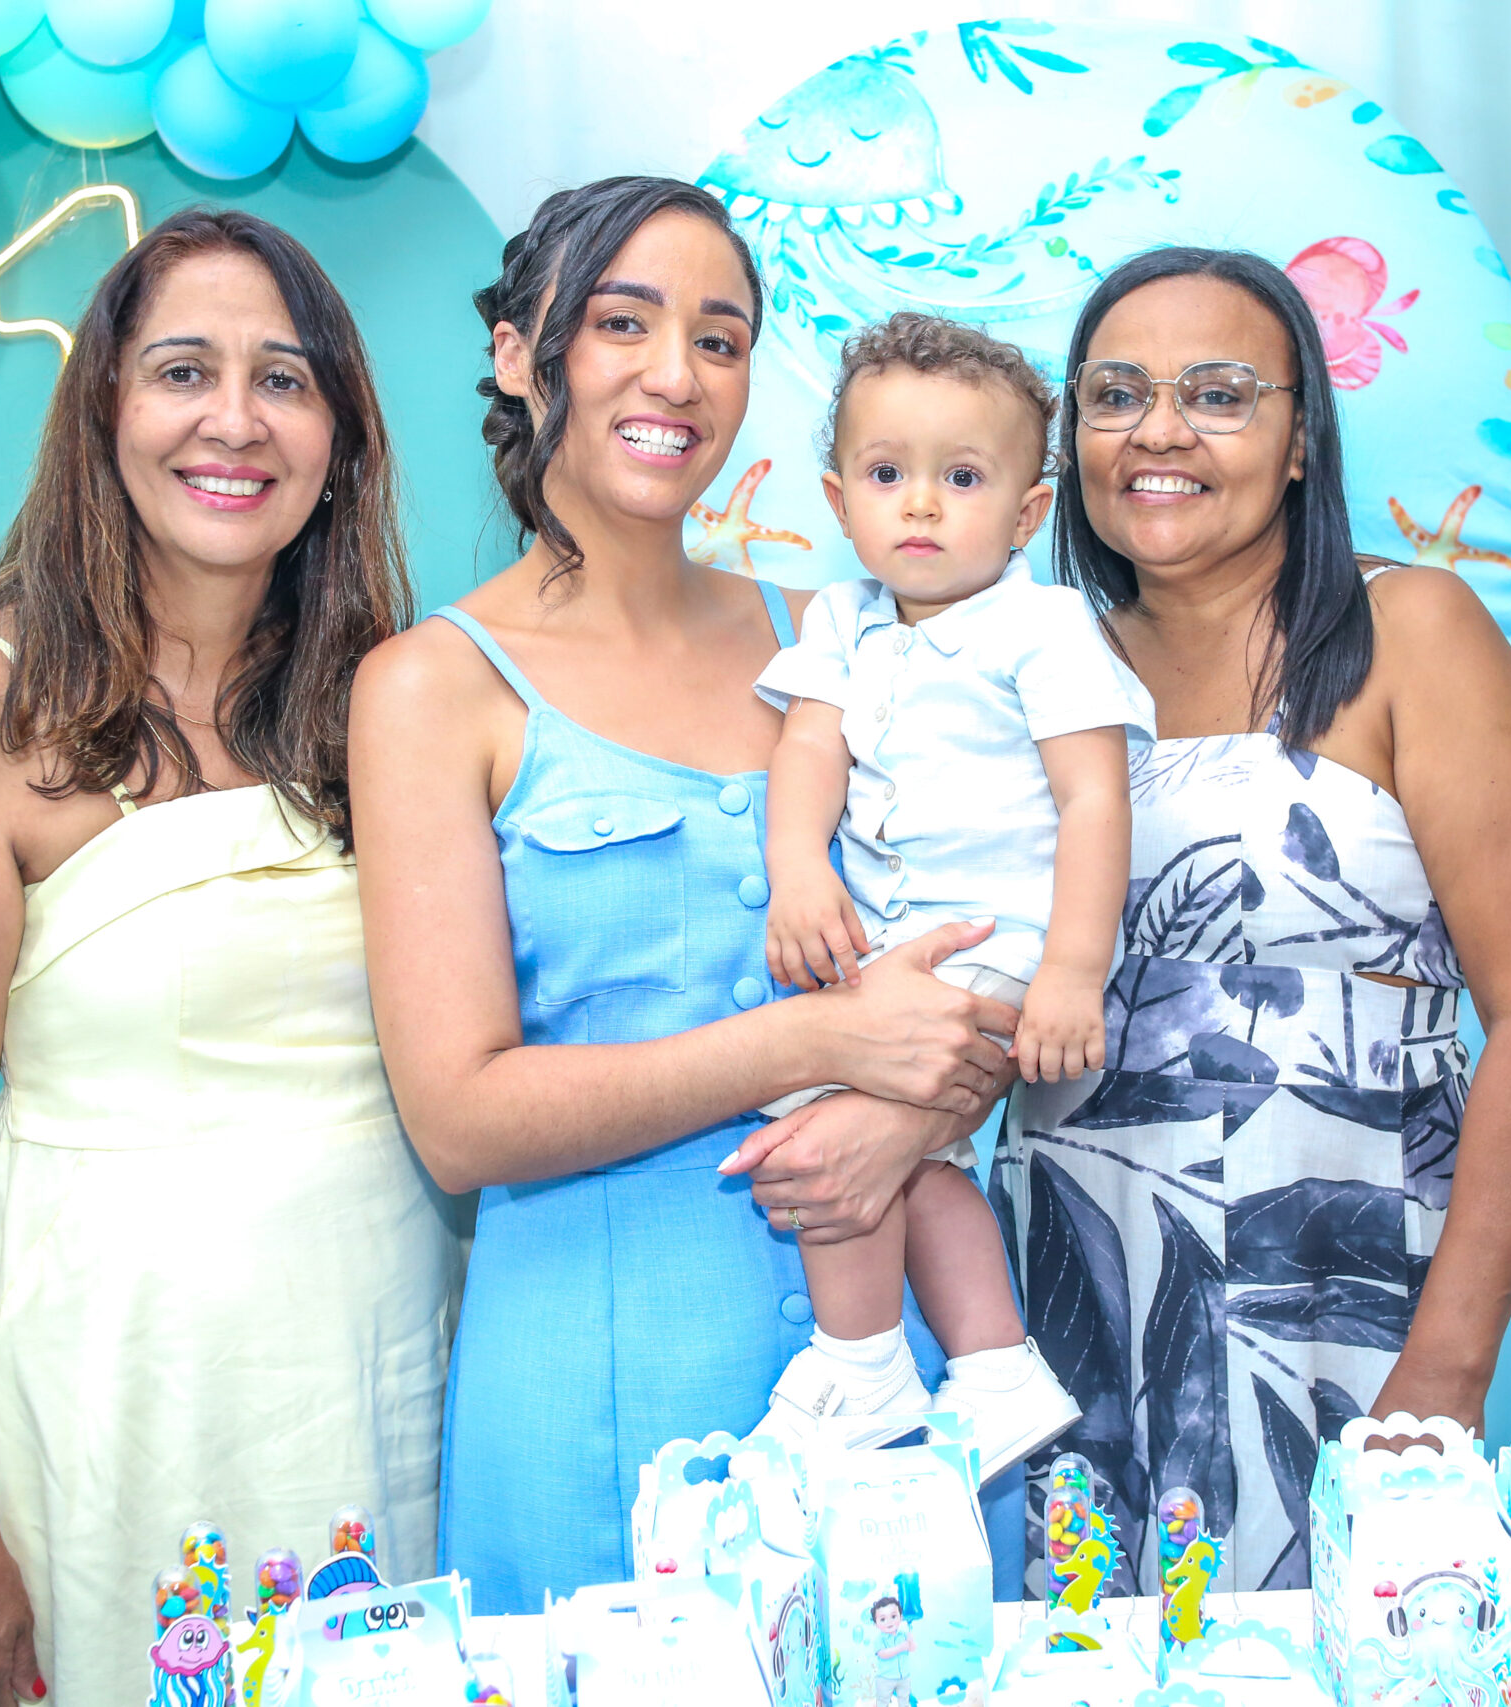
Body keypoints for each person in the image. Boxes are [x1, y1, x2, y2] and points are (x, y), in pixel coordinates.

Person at [348, 177, 1018, 1615]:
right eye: (622, 323)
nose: (677, 374)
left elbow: (997, 928)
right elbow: (459, 1118)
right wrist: (810, 1042)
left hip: (895, 1378)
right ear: (519, 355)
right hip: (598, 1398)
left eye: (720, 339)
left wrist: (910, 1116)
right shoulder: (429, 687)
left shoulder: (839, 637)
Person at [0, 209, 465, 1707]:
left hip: (384, 1363)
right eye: (184, 370)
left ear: (340, 433)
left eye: (284, 378)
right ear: (105, 410)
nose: (234, 421)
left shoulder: (388, 700)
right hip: (112, 1391)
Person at [996, 246, 1511, 1595]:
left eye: (1217, 394)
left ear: (1299, 442)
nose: (1158, 431)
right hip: (1075, 1280)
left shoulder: (1412, 630)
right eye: (1115, 395)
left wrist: (1447, 1367)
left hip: (1342, 1298)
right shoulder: (1033, 664)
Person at [749, 313, 1150, 1472]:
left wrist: (1069, 973)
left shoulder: (1041, 626)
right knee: (924, 1159)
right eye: (887, 476)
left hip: (1000, 939)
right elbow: (807, 753)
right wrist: (797, 872)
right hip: (894, 948)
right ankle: (993, 1368)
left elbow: (1093, 801)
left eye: (961, 479)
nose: (919, 505)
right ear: (840, 502)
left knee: (820, 1120)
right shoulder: (842, 621)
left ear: (1027, 512)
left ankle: (861, 1362)